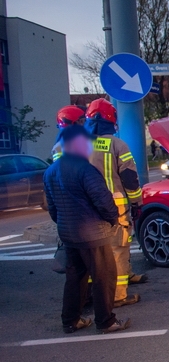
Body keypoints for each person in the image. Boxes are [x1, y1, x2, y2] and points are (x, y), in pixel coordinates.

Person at [43, 125, 131, 334]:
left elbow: (52, 208)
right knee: (104, 277)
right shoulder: (85, 170)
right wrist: (112, 219)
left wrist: (64, 224)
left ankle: (70, 321)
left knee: (75, 278)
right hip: (93, 234)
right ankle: (106, 321)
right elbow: (103, 200)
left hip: (69, 235)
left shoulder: (51, 171)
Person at [85, 98, 146, 307]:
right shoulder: (118, 144)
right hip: (115, 206)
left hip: (86, 208)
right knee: (118, 250)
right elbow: (129, 178)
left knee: (94, 252)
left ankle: (94, 293)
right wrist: (137, 202)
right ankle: (118, 295)